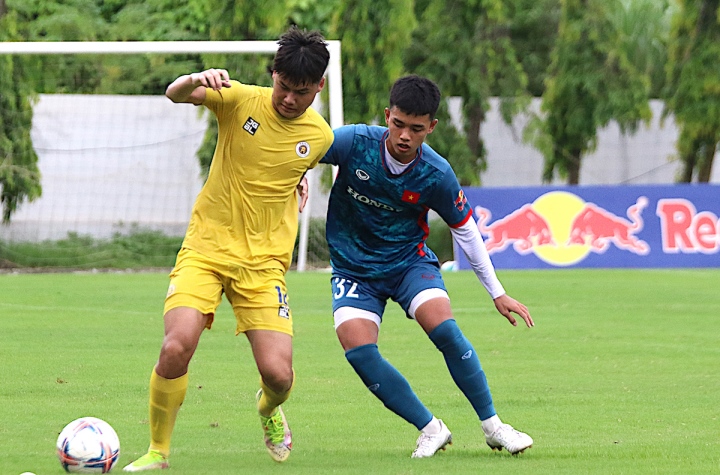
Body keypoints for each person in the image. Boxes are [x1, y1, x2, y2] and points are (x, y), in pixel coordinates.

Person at [123, 26, 333, 472]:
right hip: (206, 249)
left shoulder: (320, 138)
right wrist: (197, 77)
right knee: (176, 345)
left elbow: (292, 167)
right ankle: (158, 452)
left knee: (279, 377)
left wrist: (298, 182)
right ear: (272, 74)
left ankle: (268, 409)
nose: (289, 99)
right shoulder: (238, 99)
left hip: (263, 266)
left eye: (301, 92)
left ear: (319, 86)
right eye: (282, 86)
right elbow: (174, 93)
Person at [319, 75, 535, 459]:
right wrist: (299, 178)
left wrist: (497, 292)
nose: (404, 135)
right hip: (353, 269)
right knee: (359, 351)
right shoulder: (354, 142)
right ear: (387, 115)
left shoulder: (436, 174)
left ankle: (494, 427)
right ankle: (431, 428)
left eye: (416, 129)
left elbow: (466, 232)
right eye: (398, 124)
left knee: (446, 330)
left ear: (431, 127)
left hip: (407, 263)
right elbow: (298, 149)